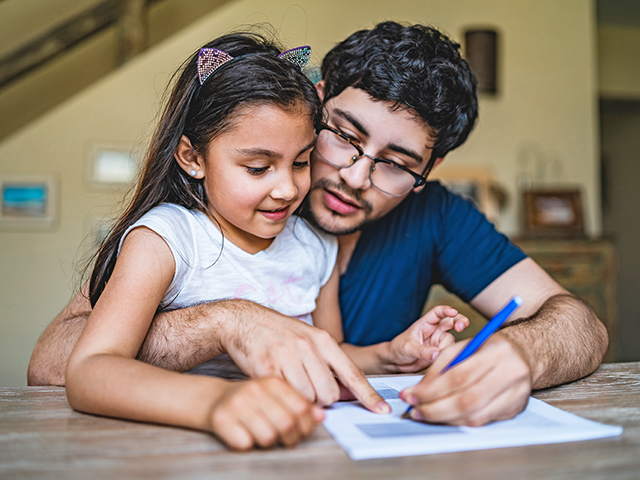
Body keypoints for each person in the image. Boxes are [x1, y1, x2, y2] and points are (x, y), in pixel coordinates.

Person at [29, 22, 608, 429]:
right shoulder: (196, 218)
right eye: (344, 137)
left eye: (396, 164)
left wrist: (519, 355)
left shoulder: (429, 218)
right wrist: (227, 323)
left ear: (429, 171)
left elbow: (581, 324)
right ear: (316, 102)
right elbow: (56, 364)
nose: (356, 177)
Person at [63, 32, 403, 452]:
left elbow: (326, 351)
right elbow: (90, 372)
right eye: (258, 168)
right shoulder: (167, 240)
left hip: (291, 445)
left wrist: (392, 354)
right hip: (179, 451)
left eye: (300, 162)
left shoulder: (315, 246)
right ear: (193, 158)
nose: (286, 189)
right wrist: (216, 402)